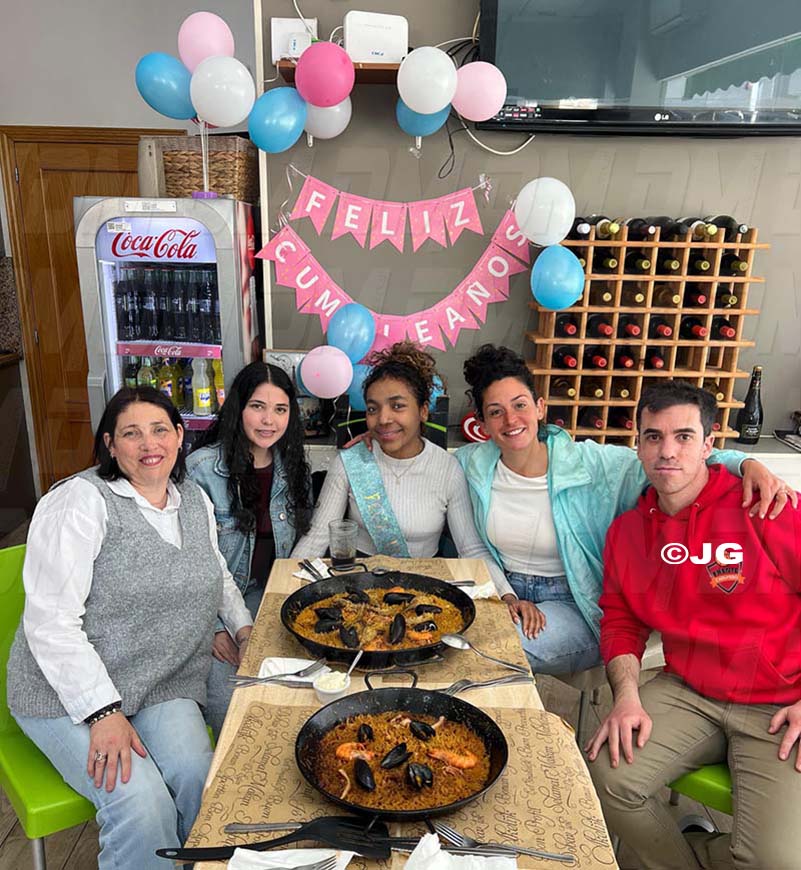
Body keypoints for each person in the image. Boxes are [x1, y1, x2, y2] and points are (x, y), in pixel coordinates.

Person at [6, 387, 253, 870]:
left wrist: (243, 630)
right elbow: (50, 622)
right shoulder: (80, 501)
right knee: (141, 804)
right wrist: (102, 712)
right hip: (66, 697)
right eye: (131, 433)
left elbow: (217, 573)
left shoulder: (193, 500)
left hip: (157, 681)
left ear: (179, 436)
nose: (148, 444)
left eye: (160, 429)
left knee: (201, 778)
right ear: (110, 444)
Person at [457, 344, 794, 674]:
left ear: (540, 407)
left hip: (577, 601)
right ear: (483, 424)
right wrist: (506, 596)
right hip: (505, 594)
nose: (511, 419)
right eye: (496, 411)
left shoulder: (594, 464)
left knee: (489, 646)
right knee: (451, 633)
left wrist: (745, 463)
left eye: (520, 405)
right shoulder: (473, 465)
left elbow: (675, 458)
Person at [586, 381, 801, 869]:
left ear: (709, 444)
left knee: (776, 861)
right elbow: (620, 621)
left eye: (683, 436)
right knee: (607, 775)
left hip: (781, 701)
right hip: (689, 690)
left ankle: (703, 853)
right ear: (638, 445)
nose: (667, 451)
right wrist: (626, 696)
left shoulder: (766, 506)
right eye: (653, 437)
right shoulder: (627, 533)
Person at [292, 341, 513, 596]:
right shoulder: (350, 463)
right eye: (373, 408)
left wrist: (506, 594)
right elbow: (316, 537)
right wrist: (281, 590)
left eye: (397, 406)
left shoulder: (447, 469)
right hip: (358, 592)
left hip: (423, 594)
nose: (384, 419)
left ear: (423, 411)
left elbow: (471, 548)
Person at [187, 362, 312, 737]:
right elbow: (189, 561)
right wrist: (213, 628)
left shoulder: (293, 466)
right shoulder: (202, 469)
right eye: (258, 406)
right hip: (212, 607)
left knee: (300, 687)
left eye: (280, 409)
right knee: (229, 699)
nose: (269, 420)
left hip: (270, 598)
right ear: (238, 408)